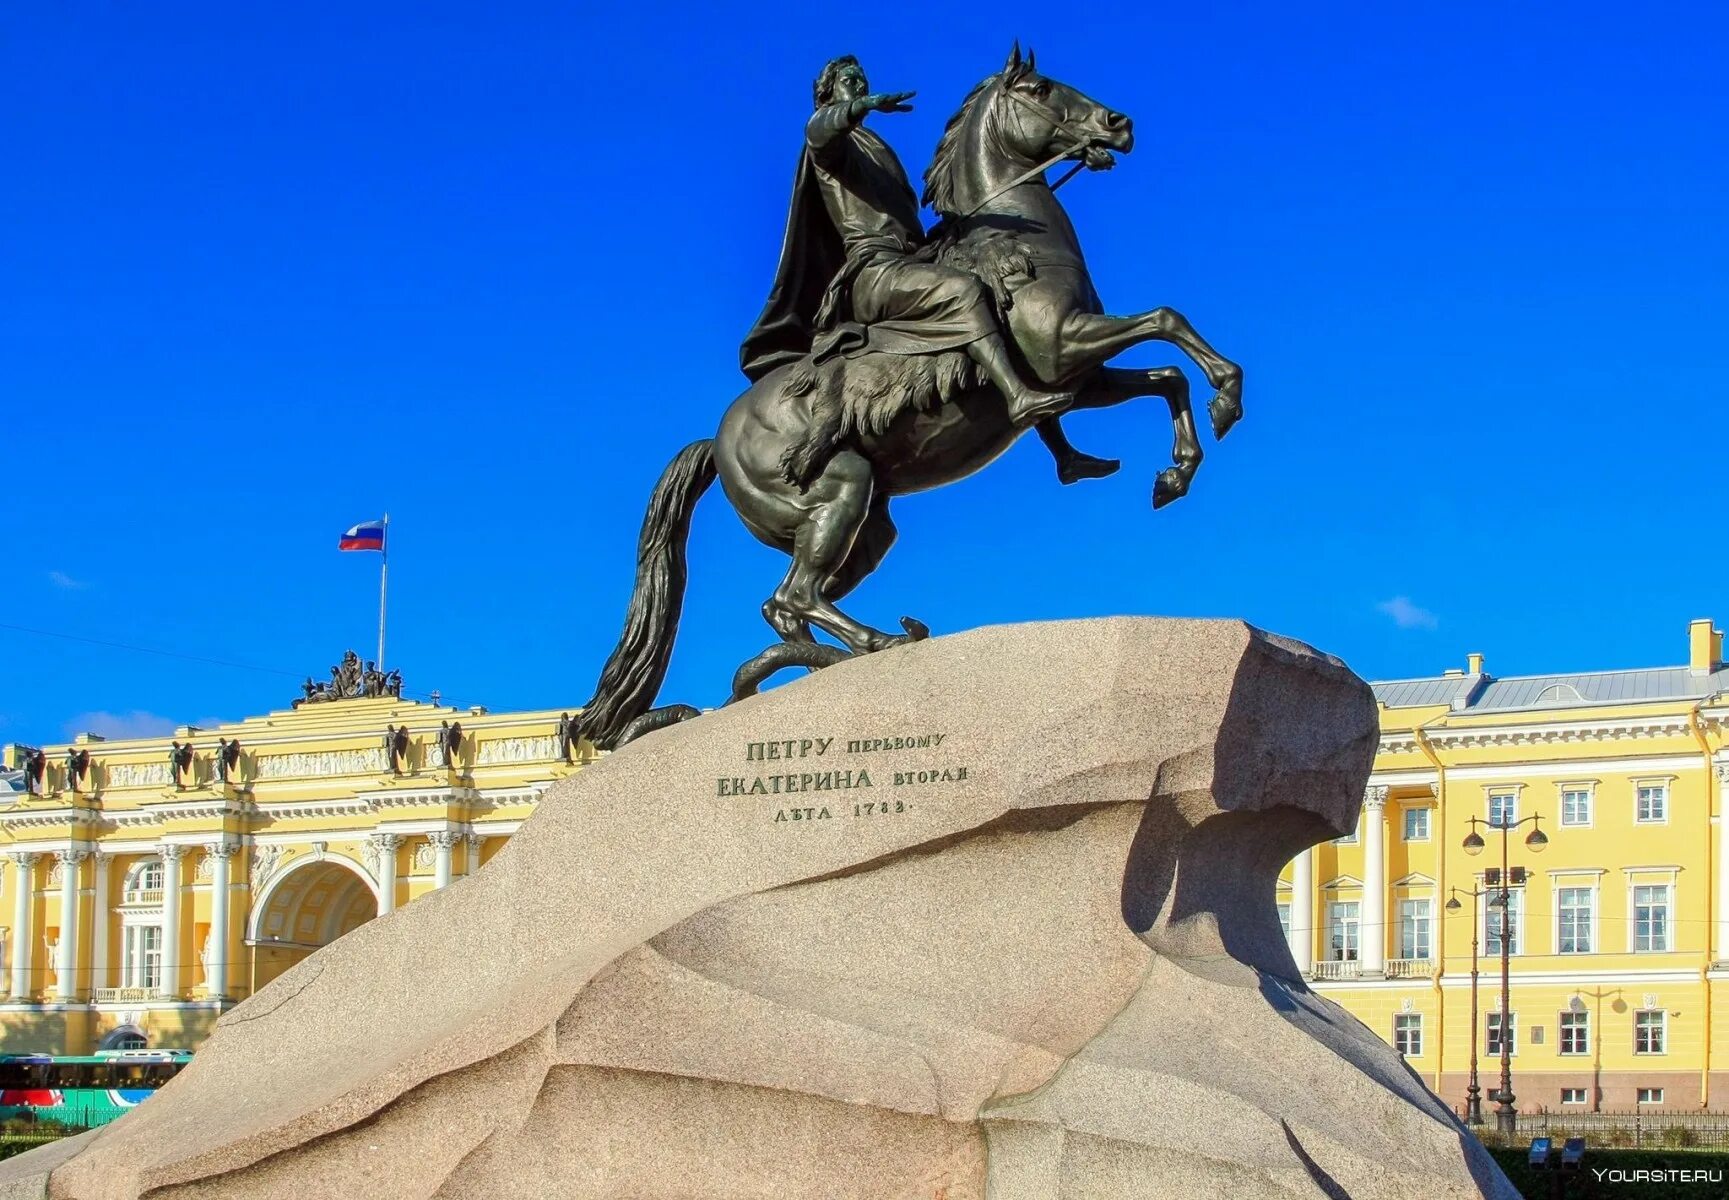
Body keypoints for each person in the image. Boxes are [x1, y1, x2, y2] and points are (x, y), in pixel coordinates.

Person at [741, 55, 1117, 484]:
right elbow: (819, 133)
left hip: (909, 260)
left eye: (863, 79)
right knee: (962, 290)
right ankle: (1015, 395)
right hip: (873, 271)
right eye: (850, 81)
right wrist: (853, 110)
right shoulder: (834, 144)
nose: (860, 84)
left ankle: (1064, 454)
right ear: (827, 94)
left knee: (1013, 310)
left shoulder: (879, 151)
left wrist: (1075, 150)